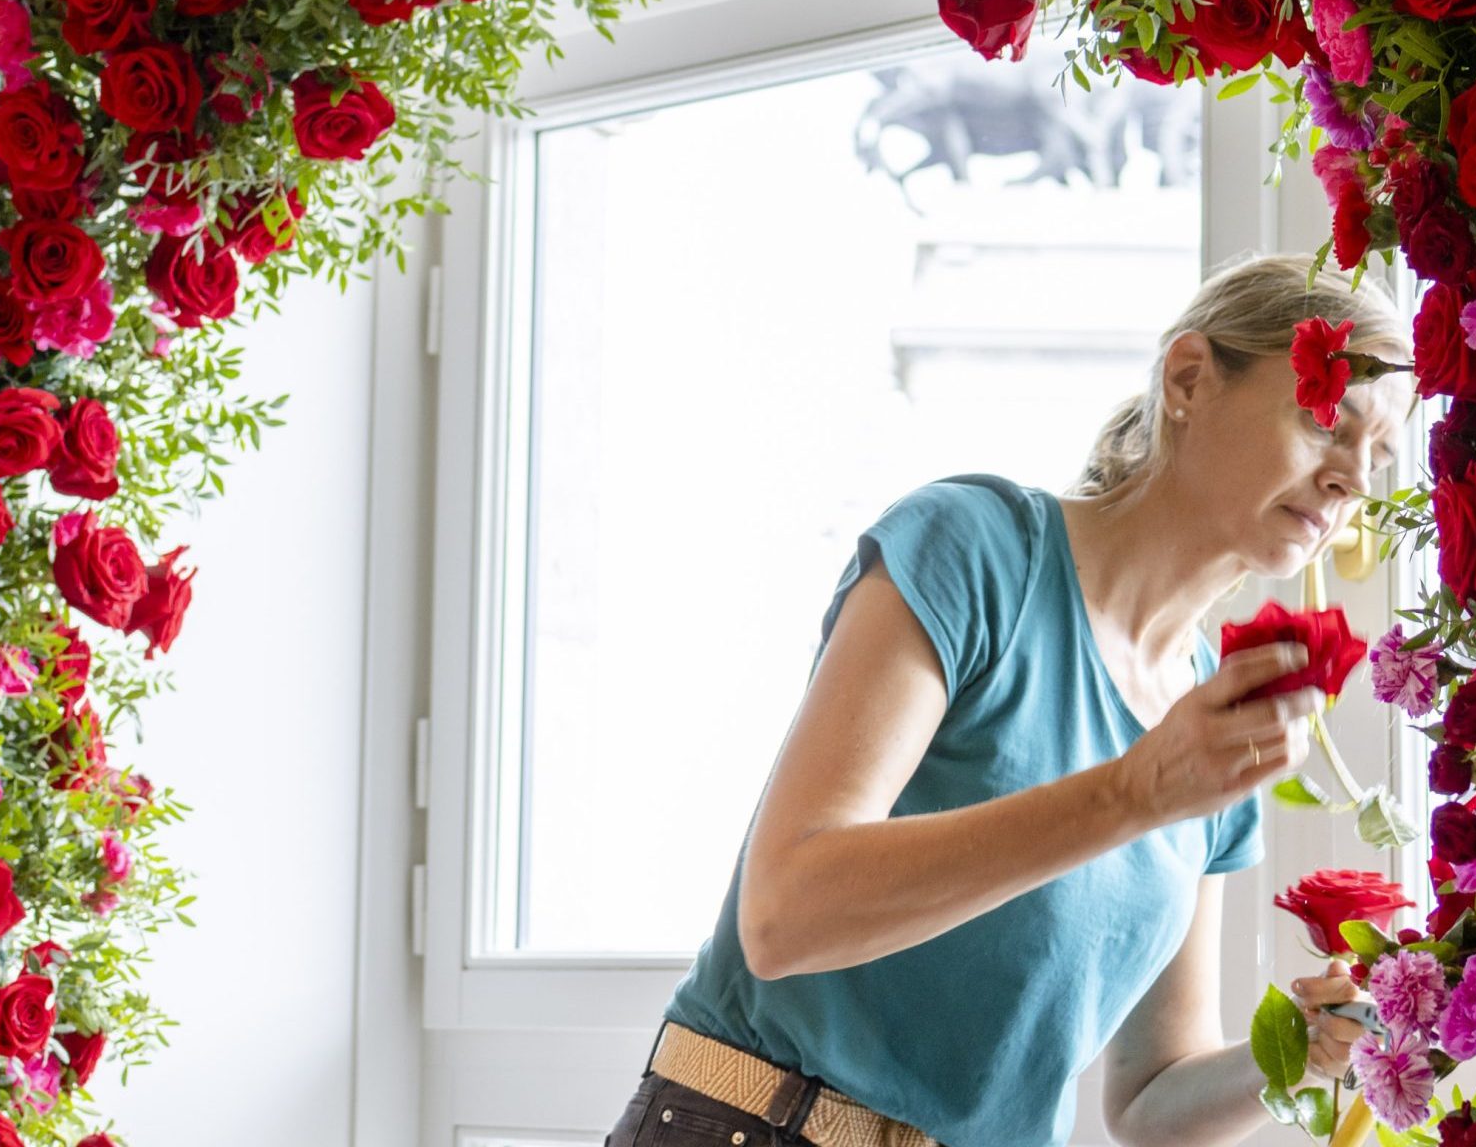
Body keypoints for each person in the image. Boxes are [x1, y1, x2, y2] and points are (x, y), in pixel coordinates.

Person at [603, 254, 1418, 1147]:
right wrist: (1133, 793)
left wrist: (1295, 1052)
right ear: (1189, 378)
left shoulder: (1211, 728)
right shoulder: (974, 552)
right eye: (1323, 421)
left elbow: (1149, 1101)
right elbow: (784, 918)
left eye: (1376, 455)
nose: (1352, 480)